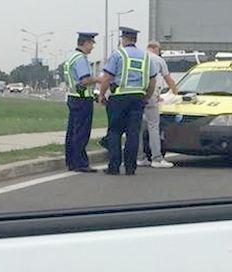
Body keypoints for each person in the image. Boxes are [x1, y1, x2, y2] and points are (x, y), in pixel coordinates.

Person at [98, 27, 158, 176]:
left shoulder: (118, 55)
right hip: (137, 99)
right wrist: (146, 97)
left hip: (119, 98)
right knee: (133, 133)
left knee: (115, 131)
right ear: (135, 40)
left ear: (124, 39)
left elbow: (107, 77)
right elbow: (152, 81)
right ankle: (131, 167)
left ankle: (114, 166)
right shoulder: (146, 57)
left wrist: (101, 94)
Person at [137, 41, 180, 169]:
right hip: (151, 96)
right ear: (155, 48)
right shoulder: (158, 60)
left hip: (136, 95)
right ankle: (157, 158)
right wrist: (176, 93)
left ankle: (139, 157)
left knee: (138, 128)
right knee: (153, 127)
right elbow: (168, 79)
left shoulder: (140, 56)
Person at [64, 32, 102, 173]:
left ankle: (71, 161)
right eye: (91, 44)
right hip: (82, 99)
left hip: (73, 97)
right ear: (85, 43)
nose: (92, 47)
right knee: (81, 133)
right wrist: (99, 79)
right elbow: (85, 80)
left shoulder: (71, 57)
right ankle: (80, 163)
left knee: (72, 132)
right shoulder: (81, 59)